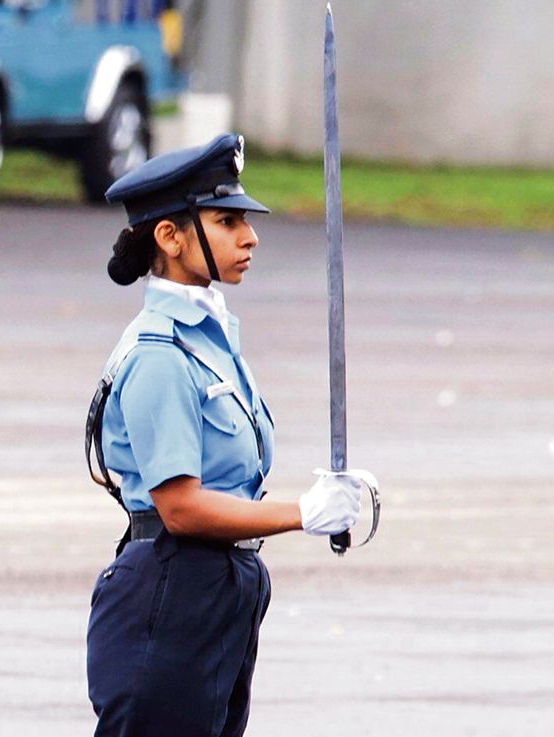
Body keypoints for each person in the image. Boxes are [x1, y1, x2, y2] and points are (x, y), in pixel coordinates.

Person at [86, 133, 369, 737]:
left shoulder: (209, 338)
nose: (250, 236)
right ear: (170, 236)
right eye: (226, 220)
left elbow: (230, 479)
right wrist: (303, 513)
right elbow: (182, 508)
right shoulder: (161, 353)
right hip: (172, 590)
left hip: (216, 589)